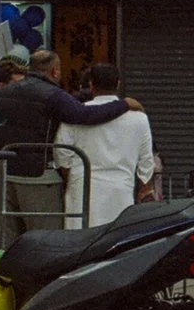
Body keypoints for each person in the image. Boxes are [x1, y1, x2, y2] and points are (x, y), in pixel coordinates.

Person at [0, 51, 134, 230]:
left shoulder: (5, 92)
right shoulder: (53, 95)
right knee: (44, 239)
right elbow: (84, 115)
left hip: (6, 173)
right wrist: (123, 104)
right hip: (38, 176)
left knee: (6, 240)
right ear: (55, 71)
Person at [52, 63, 157, 229]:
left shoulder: (75, 115)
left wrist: (71, 176)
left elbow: (62, 155)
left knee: (79, 240)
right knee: (115, 240)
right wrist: (145, 187)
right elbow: (146, 160)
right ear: (118, 84)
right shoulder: (139, 118)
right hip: (121, 189)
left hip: (82, 188)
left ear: (91, 84)